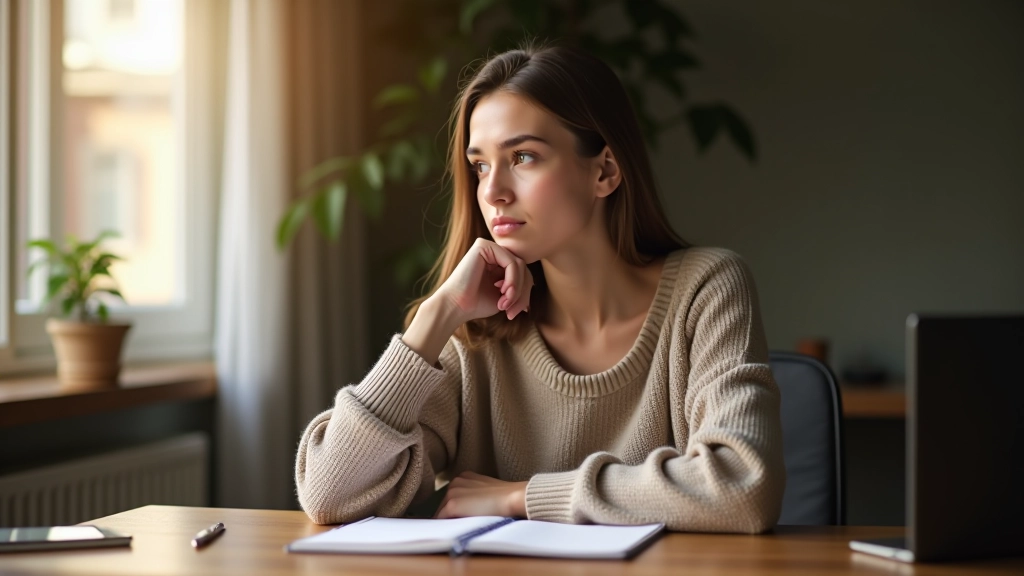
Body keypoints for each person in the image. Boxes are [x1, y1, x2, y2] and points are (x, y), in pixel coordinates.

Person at [295, 43, 785, 533]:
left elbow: (743, 486)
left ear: (605, 171)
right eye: (480, 166)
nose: (493, 192)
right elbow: (330, 494)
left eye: (523, 157)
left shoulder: (705, 290)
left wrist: (521, 496)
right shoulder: (473, 328)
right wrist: (436, 316)